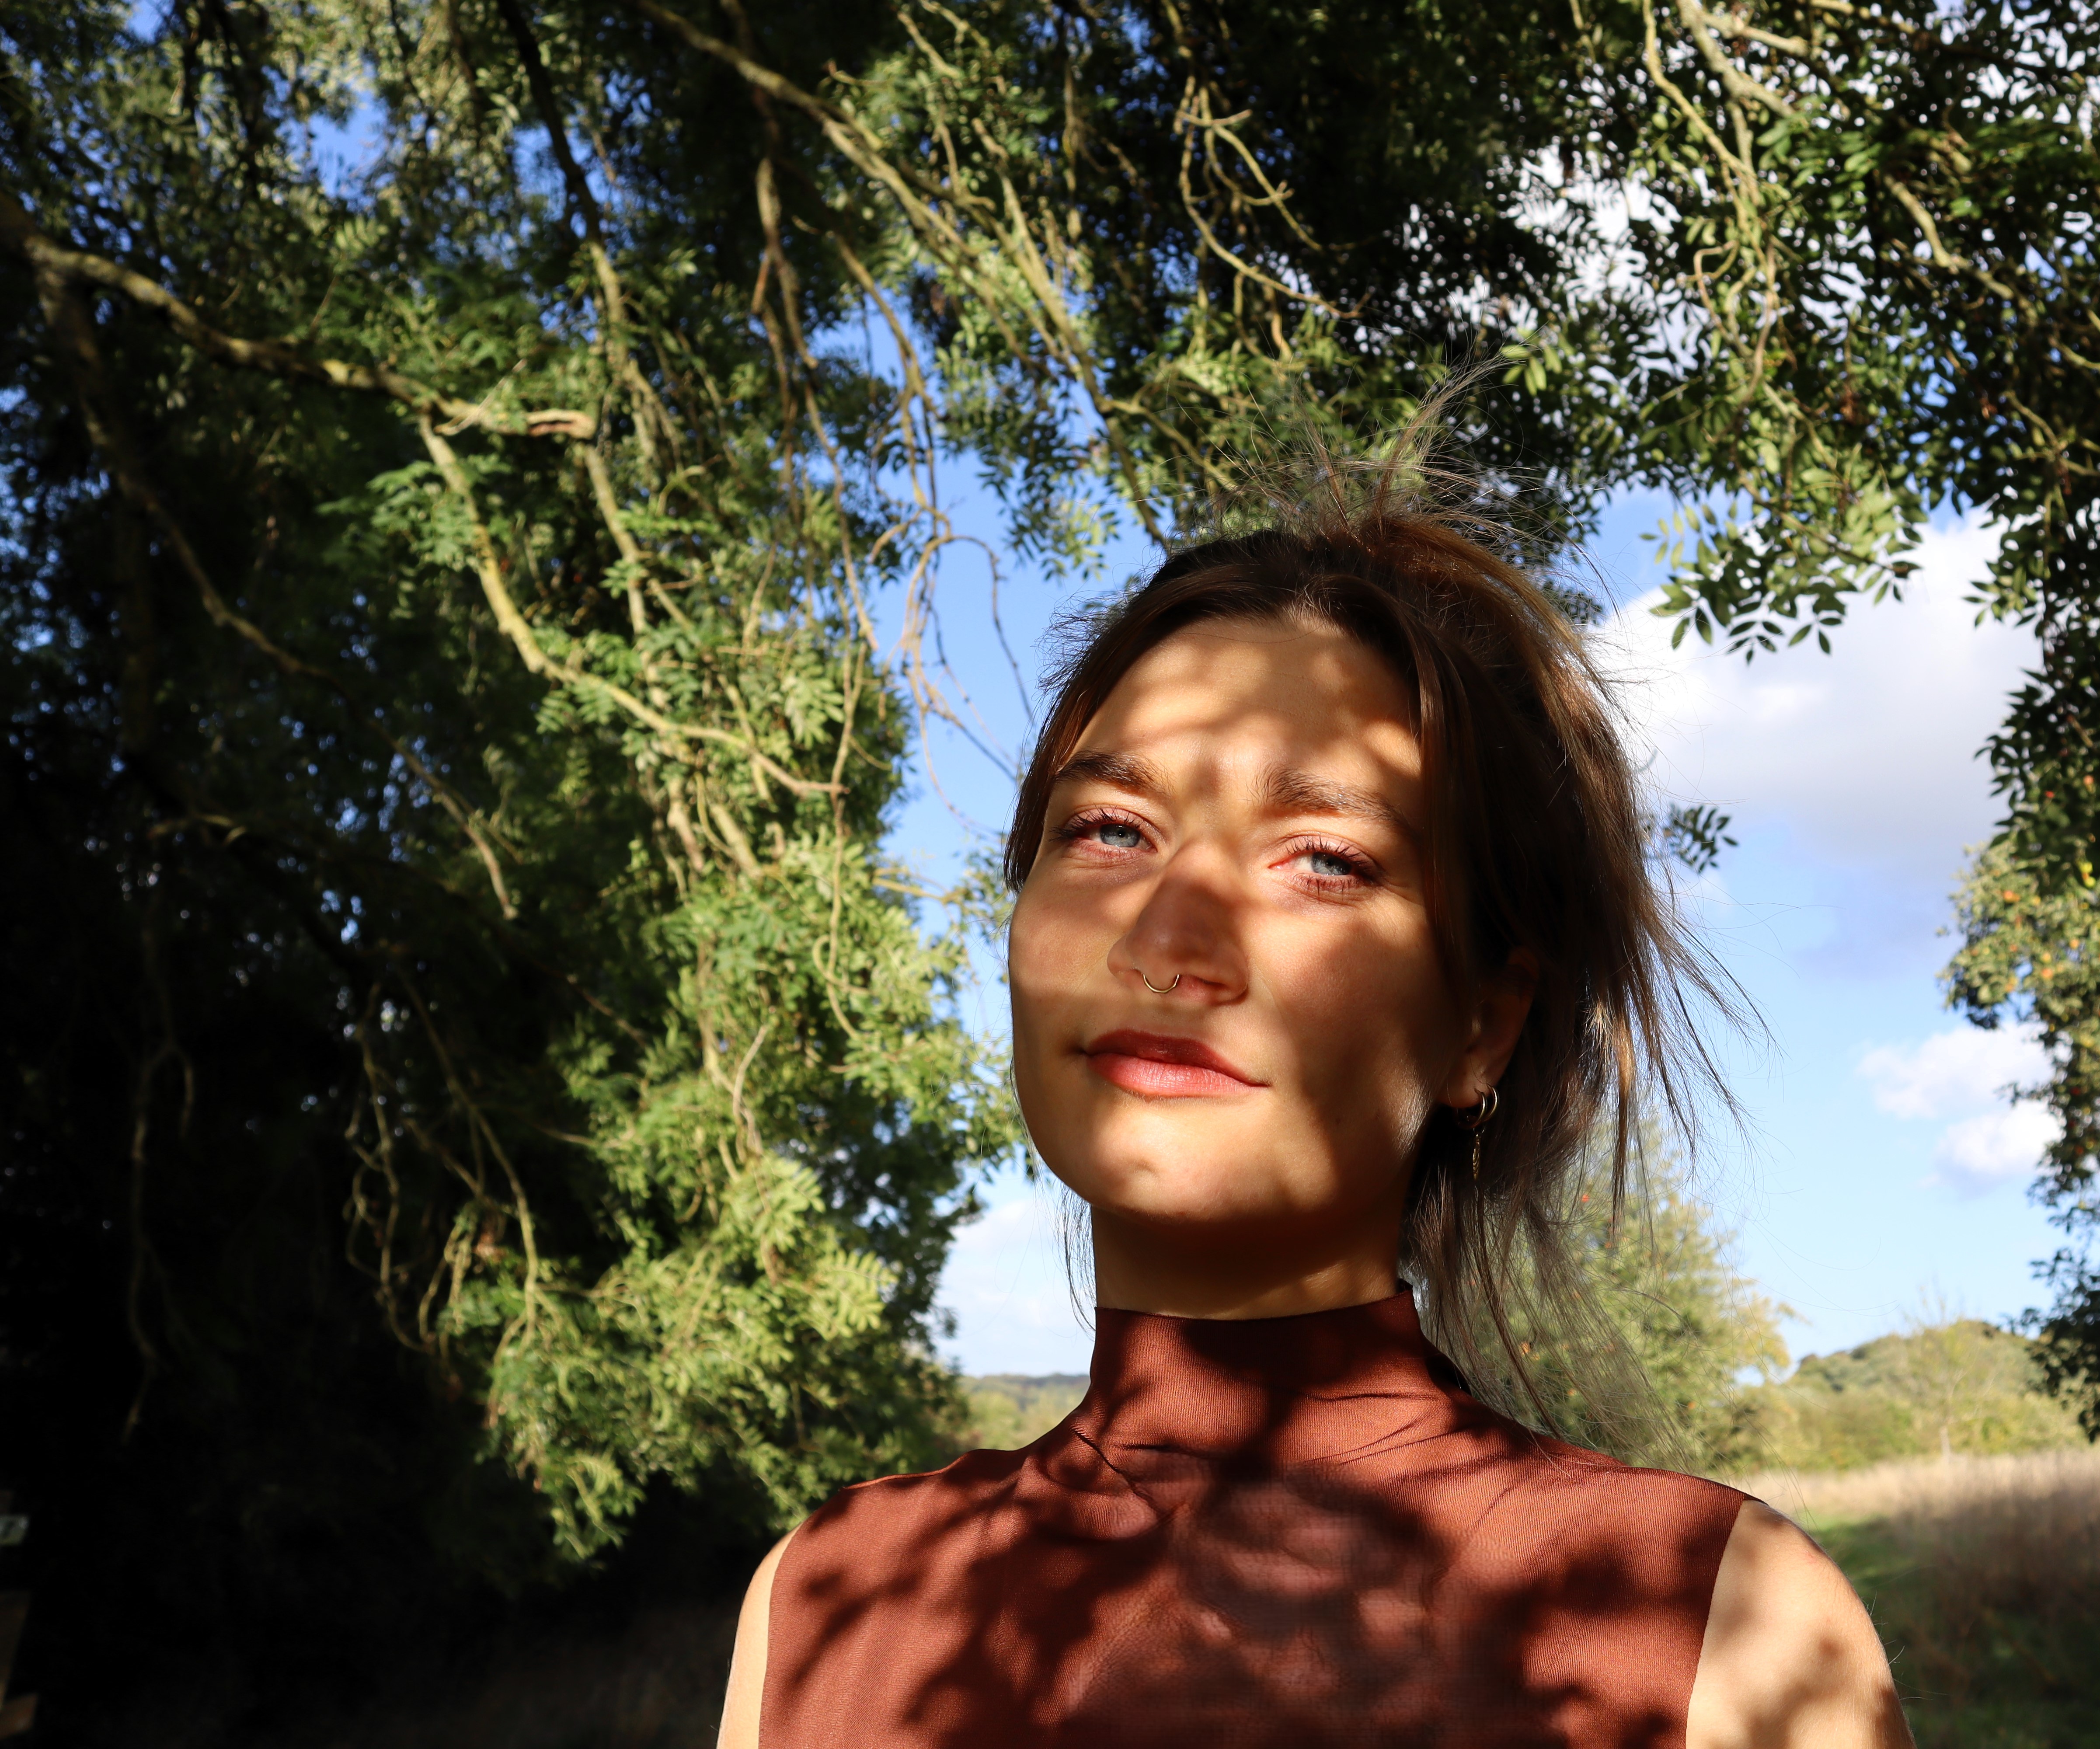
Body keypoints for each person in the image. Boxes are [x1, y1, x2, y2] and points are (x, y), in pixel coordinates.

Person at [715, 429, 1911, 1749]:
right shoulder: (822, 1601)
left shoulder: (1710, 1624)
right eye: (1110, 829)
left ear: (1483, 1026)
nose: (1168, 936)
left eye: (1325, 860)